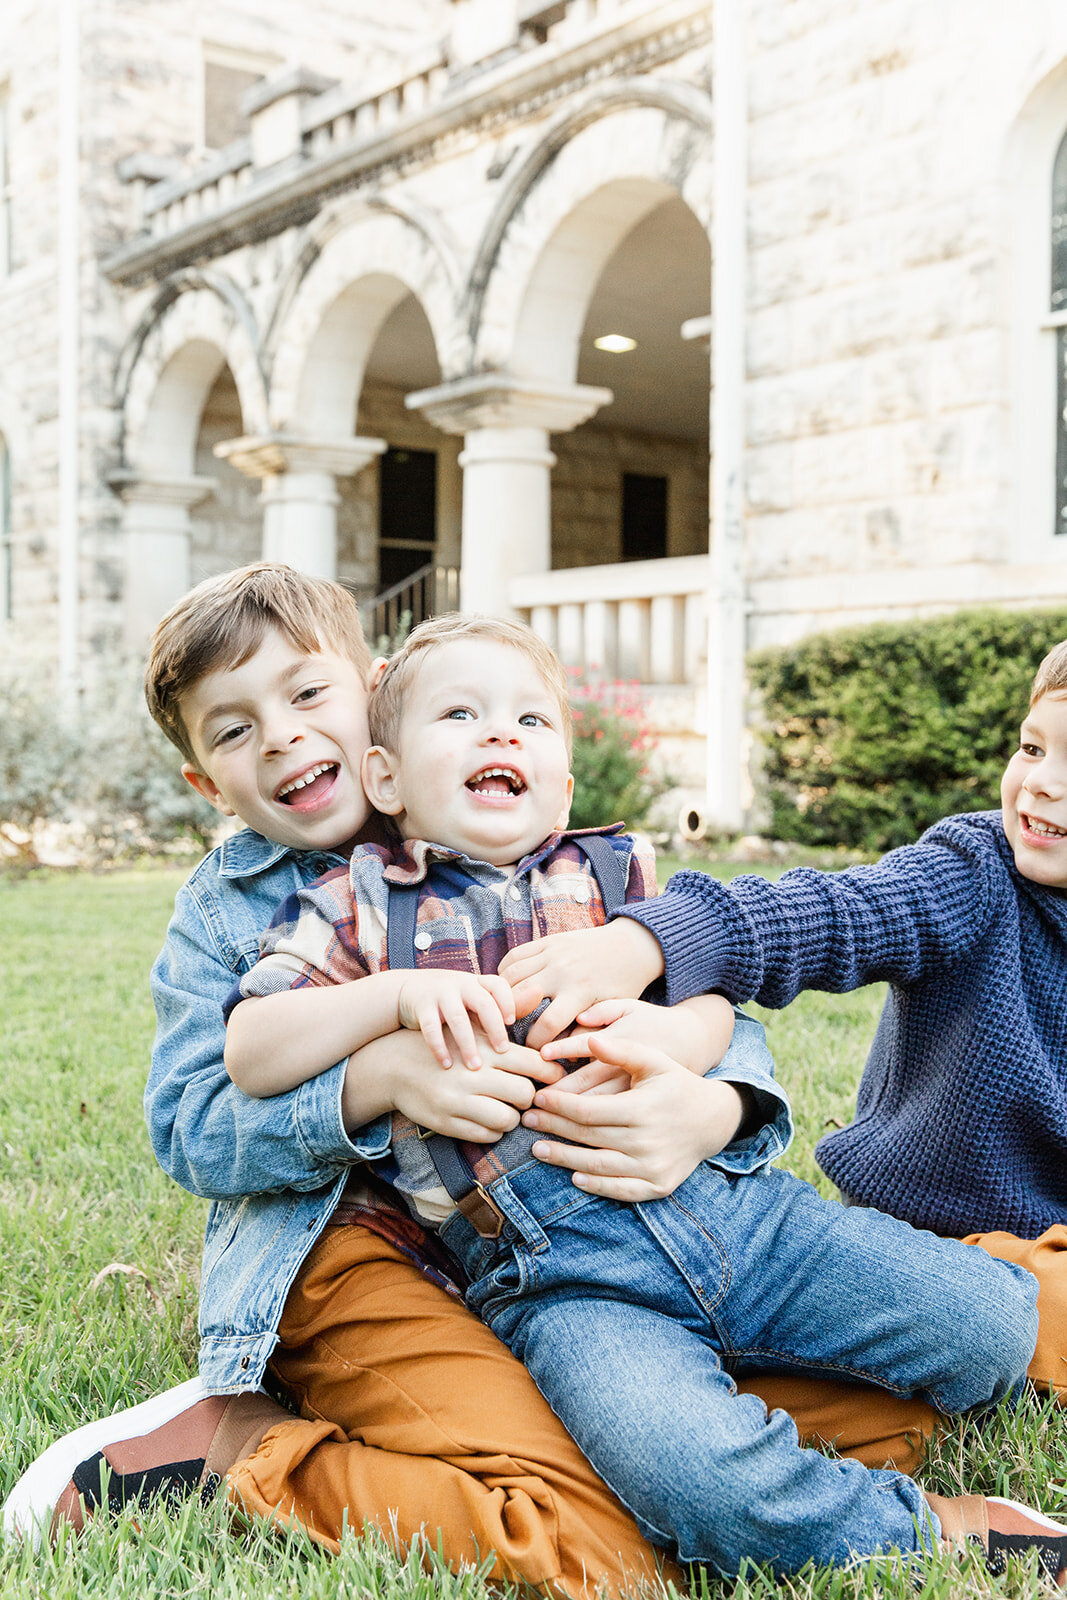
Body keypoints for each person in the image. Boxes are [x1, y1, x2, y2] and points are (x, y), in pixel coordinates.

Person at [219, 611, 1066, 1582]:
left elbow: (710, 1005)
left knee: (992, 1329)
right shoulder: (359, 905)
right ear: (384, 780)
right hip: (565, 1281)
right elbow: (252, 1045)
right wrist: (394, 999)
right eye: (460, 713)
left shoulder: (609, 878)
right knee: (700, 1483)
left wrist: (677, 1034)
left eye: (531, 721)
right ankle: (939, 1532)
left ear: (563, 786)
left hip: (736, 1217)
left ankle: (788, 1371)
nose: (501, 734)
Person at [504, 634, 1067, 1510]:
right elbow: (821, 915)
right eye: (1032, 747)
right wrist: (645, 938)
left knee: (943, 1380)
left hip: (1037, 1259)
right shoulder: (973, 873)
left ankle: (802, 1408)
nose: (1040, 783)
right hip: (926, 1248)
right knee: (1005, 1325)